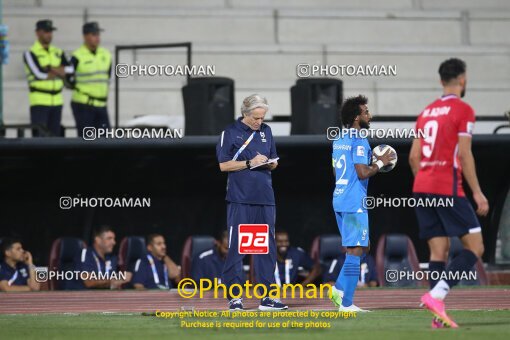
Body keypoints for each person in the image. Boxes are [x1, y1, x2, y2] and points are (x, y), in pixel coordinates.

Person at [409, 58, 489, 328]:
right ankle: (437, 294)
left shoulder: (426, 112)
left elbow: (413, 158)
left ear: (441, 81)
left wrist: (426, 181)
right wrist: (477, 193)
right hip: (447, 186)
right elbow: (465, 155)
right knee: (475, 247)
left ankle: (437, 317)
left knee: (438, 251)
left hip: (421, 186)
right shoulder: (464, 110)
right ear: (463, 80)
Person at [216, 94, 287, 311]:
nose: (260, 122)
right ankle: (234, 298)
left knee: (266, 249)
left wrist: (270, 163)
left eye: (262, 117)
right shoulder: (230, 132)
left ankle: (267, 297)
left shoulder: (267, 131)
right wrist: (249, 162)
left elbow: (274, 159)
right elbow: (223, 165)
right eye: (256, 118)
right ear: (245, 114)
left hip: (265, 198)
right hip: (240, 199)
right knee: (237, 248)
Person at [330, 95, 394, 312]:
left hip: (339, 197)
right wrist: (380, 162)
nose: (370, 115)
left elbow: (336, 171)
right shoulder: (359, 139)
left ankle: (339, 289)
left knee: (362, 247)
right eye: (366, 112)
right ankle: (345, 302)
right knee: (357, 249)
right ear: (357, 117)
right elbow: (363, 172)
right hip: (353, 201)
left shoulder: (339, 139)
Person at [23, 19, 73, 136]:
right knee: (39, 140)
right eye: (46, 31)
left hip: (57, 102)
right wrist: (59, 70)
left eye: (50, 31)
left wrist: (50, 68)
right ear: (37, 33)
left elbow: (70, 70)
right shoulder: (30, 53)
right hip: (39, 101)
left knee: (55, 138)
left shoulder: (58, 52)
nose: (49, 34)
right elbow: (40, 74)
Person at [68, 22, 112, 136]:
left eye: (98, 34)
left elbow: (108, 76)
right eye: (93, 34)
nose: (97, 37)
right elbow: (68, 80)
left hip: (101, 105)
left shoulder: (106, 55)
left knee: (107, 142)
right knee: (86, 143)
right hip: (84, 105)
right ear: (85, 36)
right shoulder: (77, 56)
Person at [67, 225, 131, 289]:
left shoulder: (112, 258)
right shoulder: (85, 254)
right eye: (109, 238)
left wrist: (117, 281)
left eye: (114, 239)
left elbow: (111, 284)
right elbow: (89, 282)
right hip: (79, 297)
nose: (114, 242)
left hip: (101, 296)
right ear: (97, 240)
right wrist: (118, 278)